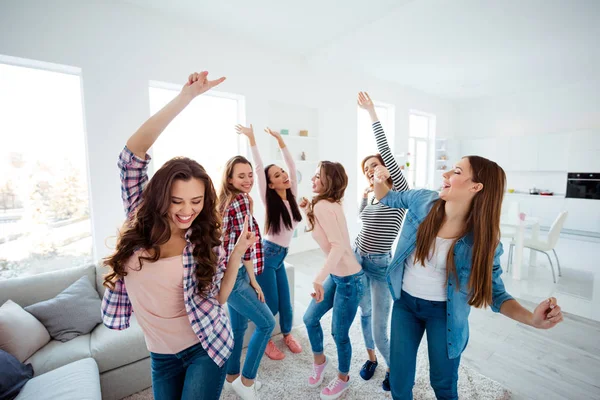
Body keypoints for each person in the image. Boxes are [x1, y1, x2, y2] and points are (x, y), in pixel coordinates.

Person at [101, 71, 258, 400]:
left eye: (196, 201)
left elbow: (217, 300)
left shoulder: (202, 239)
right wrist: (185, 98)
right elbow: (130, 157)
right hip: (160, 356)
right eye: (176, 201)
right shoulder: (140, 221)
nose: (187, 211)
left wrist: (236, 255)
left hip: (207, 348)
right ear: (160, 198)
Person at [372, 156, 565, 400]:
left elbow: (495, 293)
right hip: (405, 305)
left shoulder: (483, 241)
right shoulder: (423, 201)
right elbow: (387, 196)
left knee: (443, 384)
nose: (445, 174)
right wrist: (379, 177)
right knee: (400, 381)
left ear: (476, 187)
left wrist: (532, 319)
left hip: (445, 315)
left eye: (457, 171)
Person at [354, 91, 409, 391]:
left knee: (379, 326)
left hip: (378, 265)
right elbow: (362, 221)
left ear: (387, 168)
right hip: (357, 256)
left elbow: (384, 150)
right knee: (363, 314)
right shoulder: (372, 196)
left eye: (375, 165)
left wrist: (372, 112)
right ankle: (371, 359)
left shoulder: (399, 191)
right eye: (367, 169)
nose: (372, 170)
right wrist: (364, 200)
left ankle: (394, 367)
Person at [235, 124, 303, 360]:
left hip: (282, 255)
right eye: (276, 175)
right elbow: (258, 167)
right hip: (267, 254)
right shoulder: (268, 199)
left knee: (286, 304)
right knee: (270, 304)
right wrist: (252, 139)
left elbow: (293, 167)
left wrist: (279, 140)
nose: (283, 175)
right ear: (270, 184)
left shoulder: (292, 195)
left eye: (282, 172)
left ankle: (287, 334)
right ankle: (264, 341)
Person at [300, 161, 365, 400]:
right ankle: (320, 361)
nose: (313, 179)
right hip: (339, 277)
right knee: (309, 318)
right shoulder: (326, 204)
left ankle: (343, 379)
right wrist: (308, 210)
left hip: (349, 280)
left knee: (339, 333)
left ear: (330, 182)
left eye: (318, 176)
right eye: (314, 175)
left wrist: (318, 279)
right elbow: (325, 237)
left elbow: (337, 247)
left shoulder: (325, 206)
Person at [218, 150, 276, 400]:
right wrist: (250, 280)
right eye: (241, 176)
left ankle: (232, 376)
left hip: (230, 274)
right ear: (229, 179)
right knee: (266, 323)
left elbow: (240, 243)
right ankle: (247, 381)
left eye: (250, 175)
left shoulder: (228, 201)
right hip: (234, 277)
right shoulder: (240, 201)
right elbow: (244, 244)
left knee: (238, 326)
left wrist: (252, 279)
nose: (247, 180)